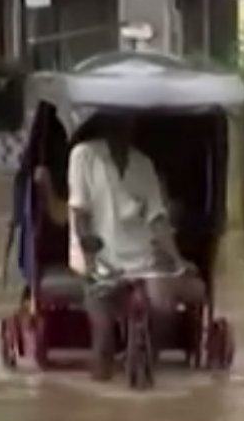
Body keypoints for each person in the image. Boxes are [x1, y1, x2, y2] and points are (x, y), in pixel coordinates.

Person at [35, 114, 205, 379]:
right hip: (98, 256)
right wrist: (90, 256)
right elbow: (79, 214)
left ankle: (148, 360)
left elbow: (157, 220)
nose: (123, 127)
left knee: (164, 309)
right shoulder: (83, 155)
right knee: (102, 340)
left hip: (142, 258)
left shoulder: (143, 165)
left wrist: (177, 260)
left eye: (127, 121)